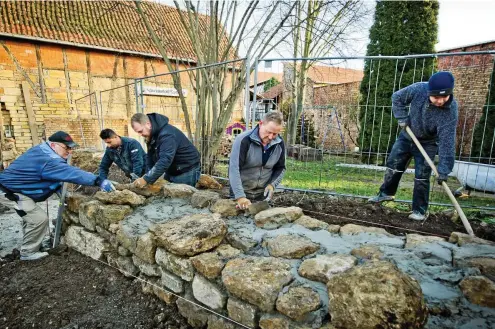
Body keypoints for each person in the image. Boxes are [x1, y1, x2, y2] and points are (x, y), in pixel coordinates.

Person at [0, 131, 115, 261]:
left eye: (71, 148)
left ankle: (32, 245)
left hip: (17, 189)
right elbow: (72, 173)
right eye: (67, 148)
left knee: (31, 217)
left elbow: (52, 176)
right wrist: (98, 181)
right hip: (10, 192)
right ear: (54, 145)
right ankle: (28, 253)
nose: (70, 151)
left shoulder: (43, 150)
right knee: (38, 219)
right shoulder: (48, 160)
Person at [368, 71, 458, 221]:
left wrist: (444, 169)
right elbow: (397, 98)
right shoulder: (418, 89)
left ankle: (419, 210)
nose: (440, 101)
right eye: (436, 97)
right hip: (407, 135)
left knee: (422, 176)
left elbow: (447, 140)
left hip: (428, 142)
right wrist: (402, 117)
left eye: (444, 97)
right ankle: (386, 194)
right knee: (393, 163)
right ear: (429, 92)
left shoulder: (450, 110)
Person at [229, 111, 286, 209]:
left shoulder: (280, 144)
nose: (271, 137)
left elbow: (281, 168)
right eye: (268, 132)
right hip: (241, 192)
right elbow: (234, 169)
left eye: (275, 134)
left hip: (262, 195)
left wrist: (272, 185)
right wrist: (240, 196)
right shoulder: (244, 140)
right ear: (260, 124)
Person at [130, 113, 201, 187]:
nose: (140, 134)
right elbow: (150, 157)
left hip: (186, 169)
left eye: (140, 131)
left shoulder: (167, 134)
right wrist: (147, 176)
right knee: (168, 195)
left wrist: (146, 179)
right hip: (172, 169)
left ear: (148, 124)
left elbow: (165, 159)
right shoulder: (152, 134)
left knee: (180, 198)